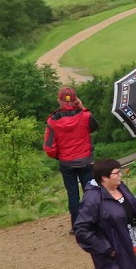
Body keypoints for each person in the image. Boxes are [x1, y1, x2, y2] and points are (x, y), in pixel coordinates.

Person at [44, 86, 98, 226]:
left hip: (66, 163)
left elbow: (49, 147)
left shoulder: (52, 121)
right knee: (90, 191)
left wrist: (59, 156)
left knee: (73, 194)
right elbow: (95, 126)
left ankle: (77, 225)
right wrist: (82, 107)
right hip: (85, 161)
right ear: (76, 100)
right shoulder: (85, 116)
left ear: (59, 100)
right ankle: (93, 222)